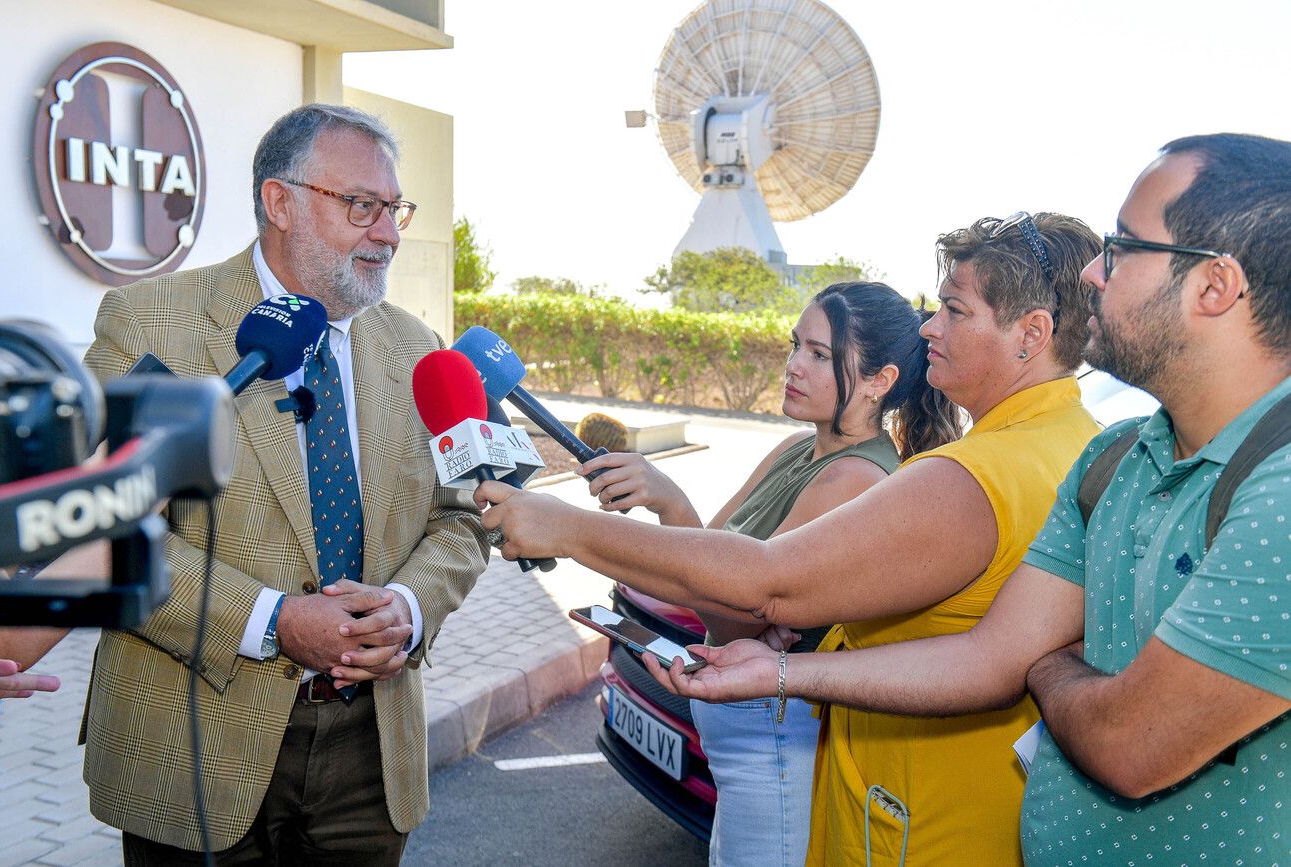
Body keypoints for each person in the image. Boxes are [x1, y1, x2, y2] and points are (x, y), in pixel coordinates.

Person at [640, 134, 1291, 863]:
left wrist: (1043, 662)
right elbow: (989, 657)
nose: (1094, 273)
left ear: (1215, 285)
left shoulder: (1281, 490)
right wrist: (782, 673)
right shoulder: (1116, 455)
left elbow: (1126, 740)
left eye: (1123, 246)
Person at [479, 212, 1103, 864]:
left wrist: (566, 526)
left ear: (1031, 333)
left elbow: (766, 584)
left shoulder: (972, 475)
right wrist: (785, 668)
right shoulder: (1077, 443)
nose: (929, 327)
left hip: (917, 825)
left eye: (953, 309)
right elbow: (990, 660)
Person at [81, 104, 488, 864]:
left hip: (371, 754)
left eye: (394, 209)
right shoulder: (150, 325)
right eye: (362, 206)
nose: (390, 233)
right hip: (193, 747)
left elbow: (461, 518)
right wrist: (273, 619)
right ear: (280, 202)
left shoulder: (417, 345)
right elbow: (107, 534)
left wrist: (406, 606)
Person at [578, 281, 960, 866]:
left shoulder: (856, 480)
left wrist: (669, 505)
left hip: (775, 740)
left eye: (819, 355)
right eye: (795, 346)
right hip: (744, 736)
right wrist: (664, 504)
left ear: (880, 381)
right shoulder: (795, 451)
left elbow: (735, 618)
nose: (793, 366)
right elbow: (710, 566)